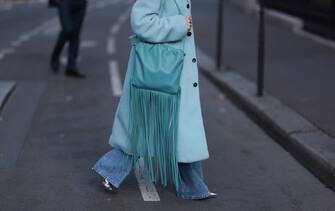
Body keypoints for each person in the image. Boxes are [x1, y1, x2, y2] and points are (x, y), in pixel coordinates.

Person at [92, 0, 217, 200]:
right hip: (162, 69)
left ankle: (194, 186)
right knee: (149, 124)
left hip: (172, 68)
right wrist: (182, 24)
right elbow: (141, 21)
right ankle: (110, 169)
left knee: (179, 128)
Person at [50, 0, 87, 78]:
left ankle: (71, 67)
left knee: (75, 34)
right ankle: (55, 55)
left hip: (81, 3)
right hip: (65, 2)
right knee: (67, 30)